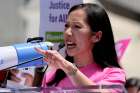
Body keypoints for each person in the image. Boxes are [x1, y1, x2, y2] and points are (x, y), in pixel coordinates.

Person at [35, 3, 126, 92]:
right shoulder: (53, 76)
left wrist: (67, 68)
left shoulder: (114, 74)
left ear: (96, 36)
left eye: (77, 26)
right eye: (66, 26)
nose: (67, 33)